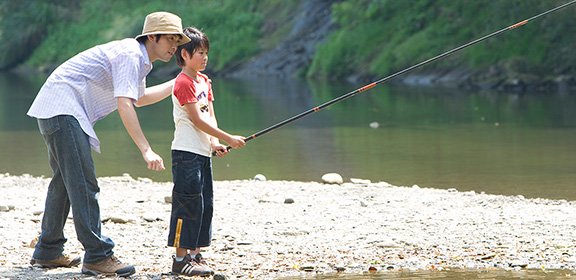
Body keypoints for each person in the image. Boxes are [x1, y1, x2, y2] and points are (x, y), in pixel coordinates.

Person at [26, 11, 190, 277]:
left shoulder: (138, 59)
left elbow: (137, 97)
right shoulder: (130, 55)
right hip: (63, 109)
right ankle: (98, 256)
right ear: (152, 37)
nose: (174, 46)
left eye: (177, 40)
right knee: (82, 183)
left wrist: (177, 83)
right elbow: (124, 104)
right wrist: (146, 149)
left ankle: (48, 251)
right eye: (170, 39)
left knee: (65, 183)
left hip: (56, 108)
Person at [168, 26, 245, 276]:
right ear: (184, 55)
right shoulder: (183, 82)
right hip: (185, 153)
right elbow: (196, 121)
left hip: (202, 152)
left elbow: (209, 116)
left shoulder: (204, 81)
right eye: (198, 52)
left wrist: (215, 143)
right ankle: (180, 259)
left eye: (205, 52)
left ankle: (195, 255)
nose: (204, 57)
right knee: (186, 205)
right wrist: (229, 138)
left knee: (204, 205)